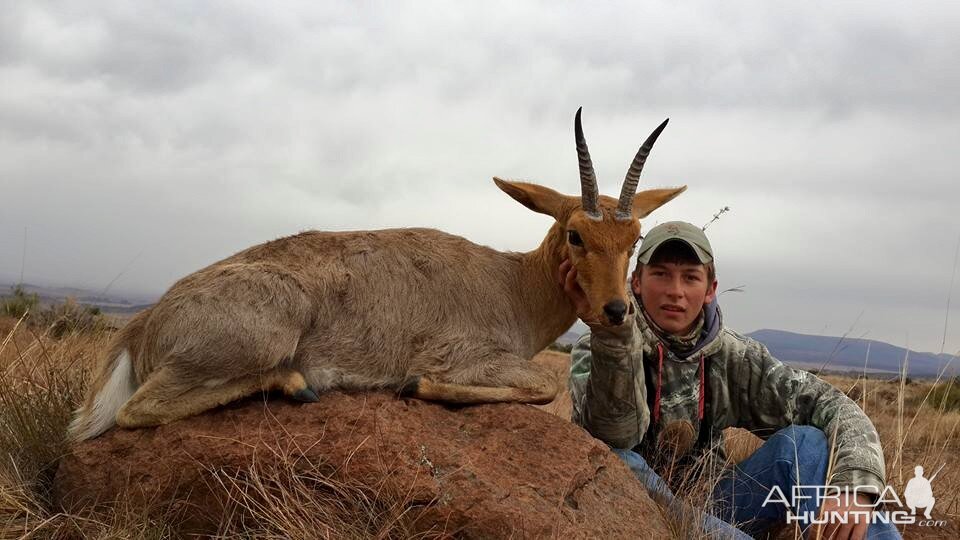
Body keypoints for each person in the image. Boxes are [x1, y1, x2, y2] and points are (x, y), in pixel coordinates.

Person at [561, 221, 901, 539]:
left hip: (718, 506)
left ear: (710, 289)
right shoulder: (596, 347)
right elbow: (612, 436)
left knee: (805, 443)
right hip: (632, 507)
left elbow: (832, 405)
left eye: (690, 278)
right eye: (661, 275)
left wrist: (855, 486)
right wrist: (612, 335)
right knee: (621, 459)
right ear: (636, 282)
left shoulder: (735, 356)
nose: (675, 291)